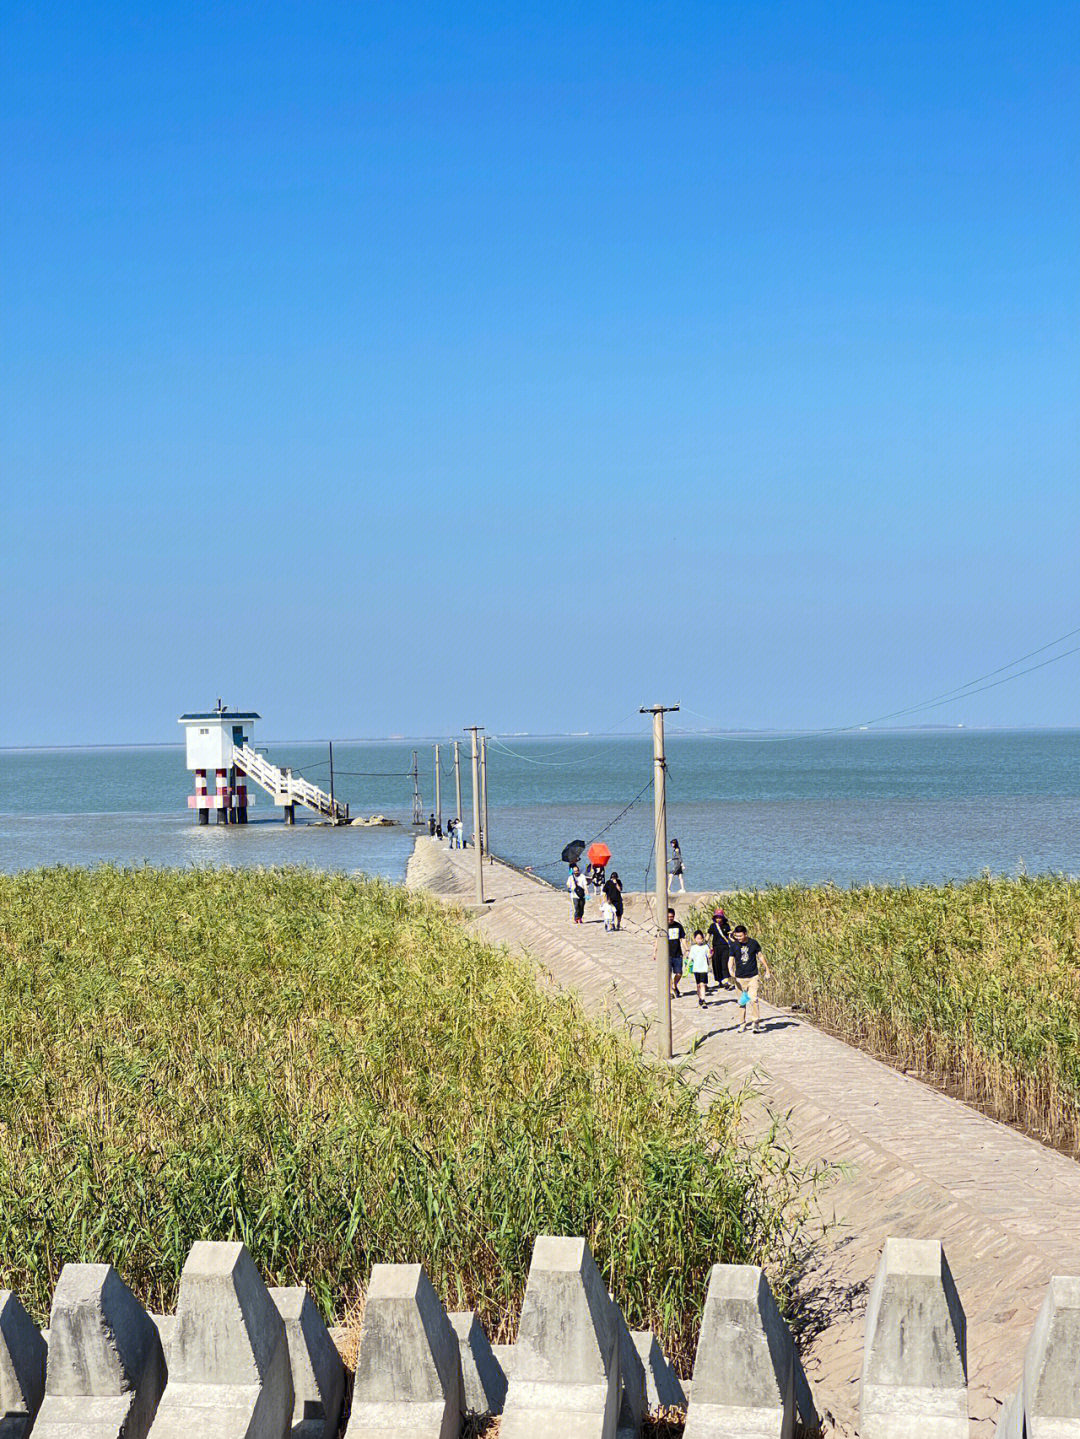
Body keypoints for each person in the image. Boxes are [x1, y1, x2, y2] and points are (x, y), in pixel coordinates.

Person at [727, 924, 772, 1034]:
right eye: (736, 936)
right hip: (740, 978)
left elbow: (760, 956)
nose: (738, 938)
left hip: (752, 976)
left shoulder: (753, 943)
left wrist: (767, 969)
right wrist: (730, 970)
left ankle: (755, 1022)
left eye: (740, 936)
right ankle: (742, 1024)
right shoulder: (734, 945)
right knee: (742, 1002)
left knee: (753, 999)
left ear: (745, 934)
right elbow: (731, 959)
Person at [707, 906, 732, 989]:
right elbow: (708, 936)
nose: (718, 919)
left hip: (725, 947)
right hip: (716, 947)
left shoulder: (726, 926)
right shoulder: (712, 926)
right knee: (716, 964)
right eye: (717, 917)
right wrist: (703, 943)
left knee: (724, 963)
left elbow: (729, 936)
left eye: (720, 917)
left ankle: (726, 981)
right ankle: (720, 981)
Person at [666, 908, 686, 997]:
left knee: (679, 973)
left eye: (672, 917)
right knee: (668, 973)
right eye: (669, 917)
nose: (670, 918)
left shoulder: (678, 926)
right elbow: (657, 939)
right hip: (667, 954)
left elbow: (682, 938)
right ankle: (670, 991)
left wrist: (687, 949)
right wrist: (655, 951)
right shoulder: (664, 926)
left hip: (677, 953)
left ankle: (674, 985)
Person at [689, 930, 711, 1007]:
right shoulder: (693, 947)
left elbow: (708, 955)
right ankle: (700, 998)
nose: (699, 940)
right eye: (697, 938)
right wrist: (687, 966)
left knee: (702, 984)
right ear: (695, 939)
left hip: (703, 968)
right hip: (696, 968)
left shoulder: (706, 946)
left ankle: (703, 999)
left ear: (703, 938)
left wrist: (711, 954)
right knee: (698, 985)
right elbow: (690, 958)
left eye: (701, 938)